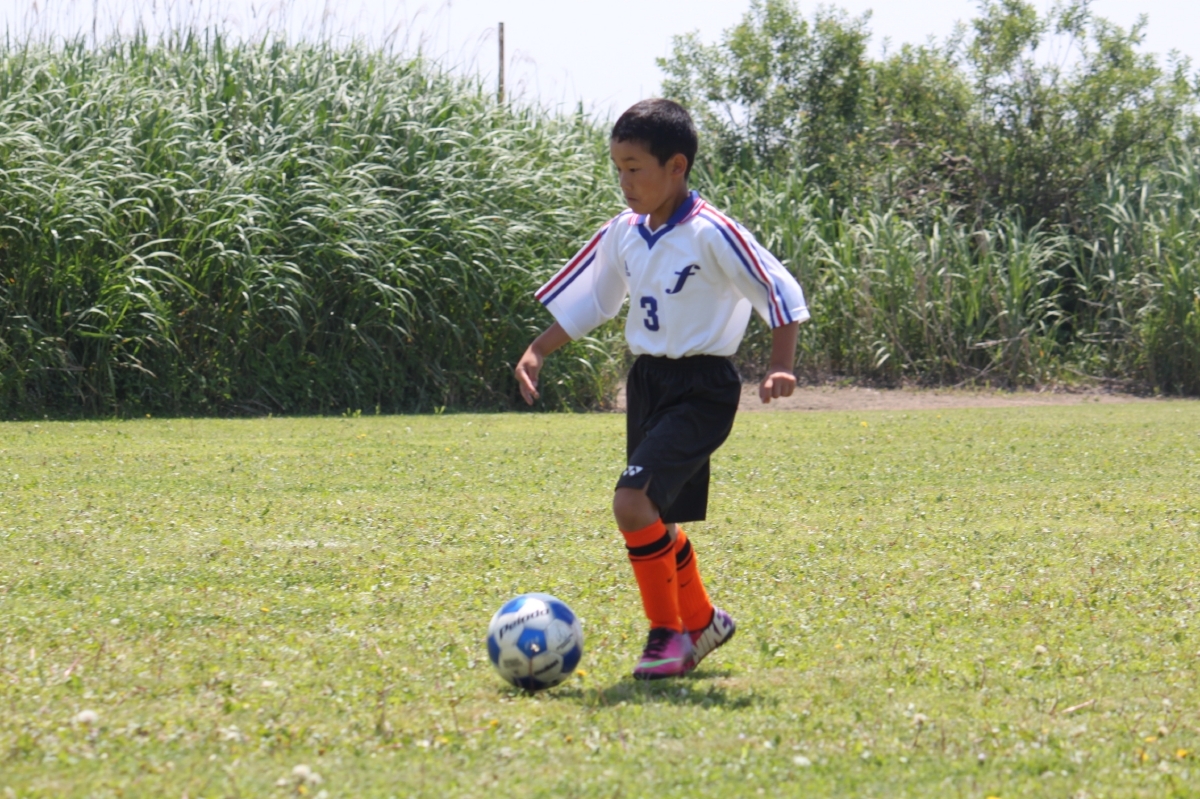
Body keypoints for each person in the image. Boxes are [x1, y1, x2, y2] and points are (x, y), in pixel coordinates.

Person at [514, 99, 809, 680]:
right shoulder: (623, 233)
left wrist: (780, 364)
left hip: (703, 386)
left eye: (635, 168)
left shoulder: (712, 232)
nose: (625, 183)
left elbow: (779, 290)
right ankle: (701, 620)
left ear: (677, 167)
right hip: (648, 382)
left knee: (631, 503)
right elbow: (595, 301)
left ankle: (666, 636)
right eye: (618, 169)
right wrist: (539, 348)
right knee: (657, 515)